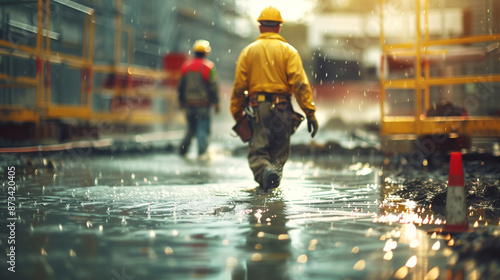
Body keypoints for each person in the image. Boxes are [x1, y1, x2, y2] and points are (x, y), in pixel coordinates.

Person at [230, 6, 319, 191]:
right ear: (279, 27)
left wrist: (237, 114)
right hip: (283, 107)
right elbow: (300, 84)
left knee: (258, 150)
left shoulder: (248, 52)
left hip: (257, 109)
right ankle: (272, 179)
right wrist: (310, 112)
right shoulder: (289, 51)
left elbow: (239, 88)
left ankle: (265, 173)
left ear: (260, 27)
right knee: (280, 151)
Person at [178, 39, 220, 158]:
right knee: (202, 129)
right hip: (203, 104)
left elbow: (181, 86)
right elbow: (213, 87)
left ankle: (182, 151)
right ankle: (202, 154)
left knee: (190, 129)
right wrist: (217, 103)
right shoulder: (209, 67)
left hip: (189, 104)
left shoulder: (186, 66)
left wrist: (181, 101)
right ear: (206, 53)